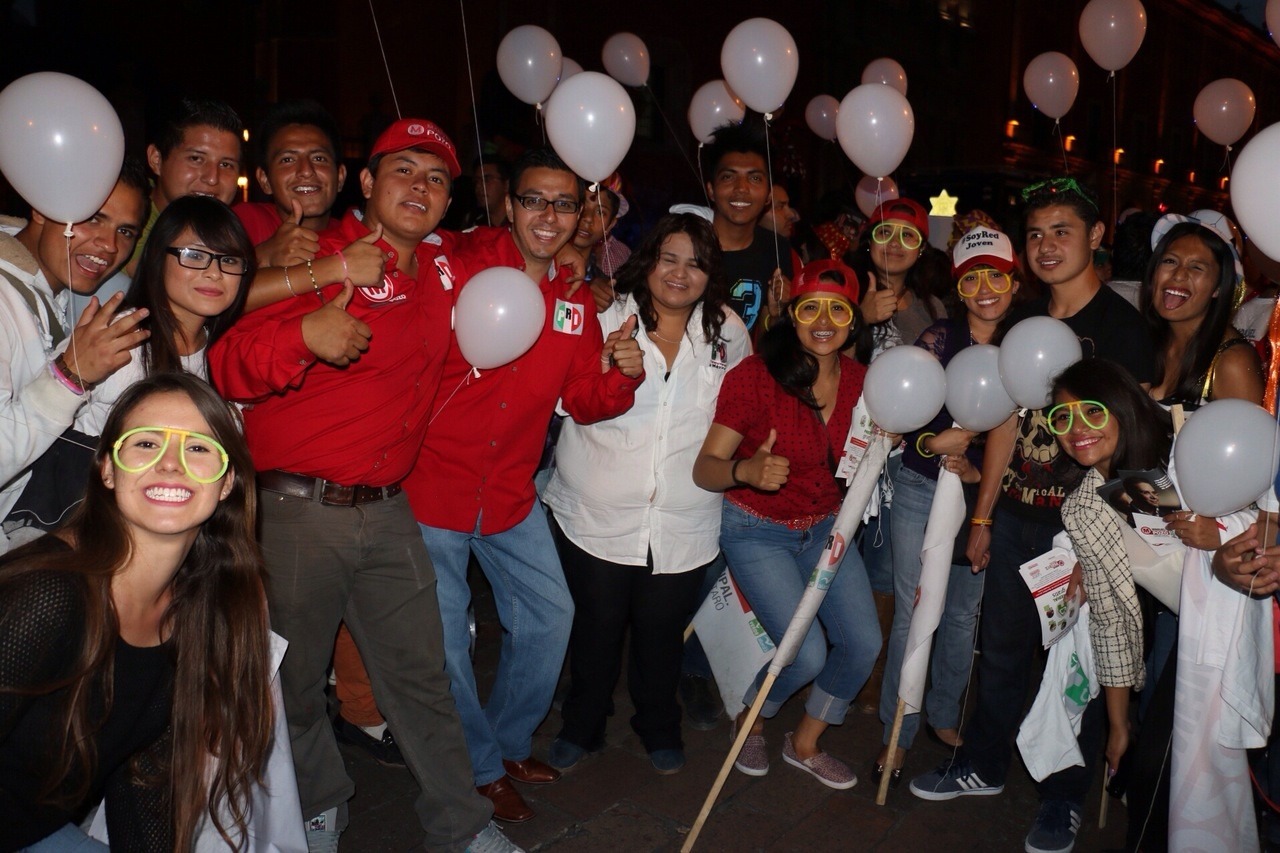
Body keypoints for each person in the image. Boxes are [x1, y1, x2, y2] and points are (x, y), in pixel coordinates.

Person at [210, 118, 516, 852]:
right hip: (296, 511)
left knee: (423, 674)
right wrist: (303, 336)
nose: (420, 187)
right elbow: (227, 364)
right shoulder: (317, 258)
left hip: (387, 509)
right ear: (368, 183)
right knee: (293, 681)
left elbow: (518, 251)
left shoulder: (442, 269)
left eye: (436, 178)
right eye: (403, 170)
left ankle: (462, 825)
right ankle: (319, 803)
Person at [910, 178, 1155, 853]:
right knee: (1002, 652)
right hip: (1017, 515)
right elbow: (1005, 420)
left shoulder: (1123, 330)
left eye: (1062, 231)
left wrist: (1100, 545)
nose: (1047, 246)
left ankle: (1063, 797)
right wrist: (983, 517)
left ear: (1096, 236)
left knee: (1075, 667)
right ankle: (984, 763)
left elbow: (1132, 443)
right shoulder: (1020, 319)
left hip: (1083, 527)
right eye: (1037, 234)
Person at [404, 147, 643, 824]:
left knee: (548, 617)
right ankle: (479, 769)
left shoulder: (574, 299)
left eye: (563, 204)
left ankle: (507, 744)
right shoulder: (459, 262)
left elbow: (583, 399)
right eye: (534, 199)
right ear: (509, 205)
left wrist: (620, 373)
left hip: (510, 491)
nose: (548, 215)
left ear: (580, 215)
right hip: (431, 489)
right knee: (448, 644)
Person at [0, 373, 273, 851]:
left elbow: (144, 781)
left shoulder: (198, 606)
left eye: (197, 448)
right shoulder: (47, 593)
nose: (170, 464)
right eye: (146, 443)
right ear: (108, 470)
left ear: (226, 482)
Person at [542, 213, 750, 775]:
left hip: (686, 515)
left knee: (661, 633)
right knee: (597, 627)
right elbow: (563, 402)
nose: (680, 274)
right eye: (669, 258)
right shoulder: (604, 314)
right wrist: (604, 364)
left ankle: (658, 724)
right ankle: (583, 723)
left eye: (696, 264)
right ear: (648, 260)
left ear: (711, 274)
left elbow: (740, 412)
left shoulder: (728, 331)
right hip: (597, 510)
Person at [692, 259, 880, 790]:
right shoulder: (755, 377)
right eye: (811, 308)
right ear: (792, 314)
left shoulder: (866, 384)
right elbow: (705, 469)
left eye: (837, 310)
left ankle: (805, 742)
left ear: (853, 320)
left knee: (863, 644)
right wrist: (745, 471)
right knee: (804, 652)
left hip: (826, 530)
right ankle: (752, 715)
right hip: (757, 529)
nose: (823, 321)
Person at [874, 226, 1024, 785]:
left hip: (988, 497)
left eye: (996, 277)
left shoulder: (1026, 345)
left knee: (962, 614)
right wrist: (932, 445)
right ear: (958, 288)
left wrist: (979, 475)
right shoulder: (939, 339)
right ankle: (897, 731)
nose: (985, 290)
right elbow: (902, 417)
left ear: (1014, 282)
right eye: (971, 279)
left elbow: (1027, 435)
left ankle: (941, 712)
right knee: (915, 611)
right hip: (922, 486)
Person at [8, 195, 253, 535]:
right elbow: (32, 420)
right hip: (84, 527)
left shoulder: (227, 351)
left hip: (171, 533)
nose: (214, 273)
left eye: (229, 260)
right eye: (194, 255)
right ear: (157, 258)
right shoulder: (118, 337)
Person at [0, 162, 151, 552]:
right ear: (42, 206)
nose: (109, 245)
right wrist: (70, 376)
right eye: (93, 218)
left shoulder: (60, 295)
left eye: (125, 231)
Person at [1143, 215, 1263, 408]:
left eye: (1196, 267)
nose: (1179, 275)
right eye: (1170, 261)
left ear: (1218, 287)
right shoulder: (1143, 341)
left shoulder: (1233, 361)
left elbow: (1247, 427)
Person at [699, 121, 796, 335]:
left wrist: (777, 314)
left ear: (768, 195)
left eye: (754, 178)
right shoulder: (685, 243)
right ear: (711, 190)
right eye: (728, 177)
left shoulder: (775, 248)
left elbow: (767, 334)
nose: (741, 188)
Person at [236, 99, 347, 266]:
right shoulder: (242, 224)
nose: (306, 171)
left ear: (340, 177)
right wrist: (262, 256)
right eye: (287, 160)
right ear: (264, 180)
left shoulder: (354, 239)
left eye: (319, 158)